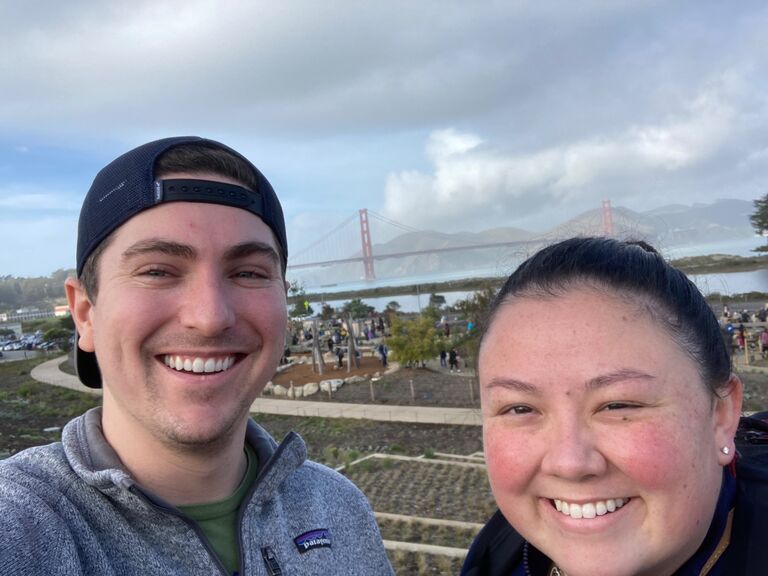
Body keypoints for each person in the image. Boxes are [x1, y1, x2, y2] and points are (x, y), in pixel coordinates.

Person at [0, 137, 392, 575]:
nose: (210, 317)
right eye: (157, 271)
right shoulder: (22, 525)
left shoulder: (338, 508)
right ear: (85, 314)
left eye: (248, 272)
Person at [462, 237, 768, 576]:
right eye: (519, 409)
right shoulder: (495, 556)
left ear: (721, 416)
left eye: (617, 405)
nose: (570, 464)